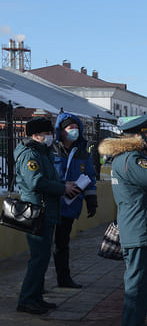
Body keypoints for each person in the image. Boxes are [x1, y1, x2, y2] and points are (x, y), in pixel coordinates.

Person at [98, 114, 147, 326]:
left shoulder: (126, 158)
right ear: (138, 136)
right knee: (138, 283)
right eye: (145, 133)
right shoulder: (133, 158)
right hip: (140, 227)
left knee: (141, 282)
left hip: (140, 226)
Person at [14, 117, 80, 314]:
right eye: (48, 133)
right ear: (37, 135)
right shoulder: (29, 155)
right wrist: (62, 188)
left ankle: (35, 296)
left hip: (46, 210)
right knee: (38, 257)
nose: (51, 137)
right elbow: (36, 182)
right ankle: (26, 299)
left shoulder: (42, 152)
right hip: (36, 211)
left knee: (42, 258)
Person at [52, 113, 97, 289]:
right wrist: (63, 185)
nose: (74, 131)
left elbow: (90, 177)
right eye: (70, 128)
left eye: (77, 128)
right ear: (61, 131)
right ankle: (37, 283)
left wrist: (91, 200)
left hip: (70, 204)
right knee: (44, 246)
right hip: (51, 203)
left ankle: (64, 278)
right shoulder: (52, 149)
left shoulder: (82, 152)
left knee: (63, 243)